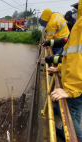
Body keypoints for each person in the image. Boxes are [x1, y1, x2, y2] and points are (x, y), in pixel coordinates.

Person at [46, 1, 82, 141]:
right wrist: (59, 67)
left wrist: (70, 90)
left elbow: (77, 58)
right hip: (77, 82)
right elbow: (70, 56)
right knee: (75, 110)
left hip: (76, 83)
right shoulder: (77, 24)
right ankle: (64, 131)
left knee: (70, 116)